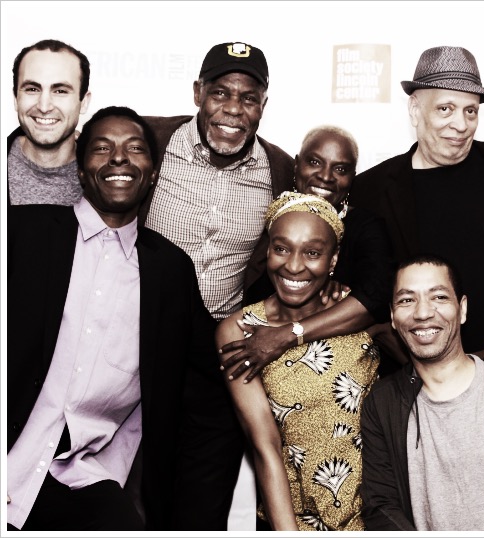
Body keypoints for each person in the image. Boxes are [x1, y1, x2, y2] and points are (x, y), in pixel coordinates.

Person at [6, 106, 243, 531]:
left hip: (79, 477)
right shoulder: (21, 234)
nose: (119, 158)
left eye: (135, 149)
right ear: (80, 170)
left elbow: (208, 390)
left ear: (152, 173)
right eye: (102, 148)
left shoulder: (170, 272)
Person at [349, 45, 484, 416]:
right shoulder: (372, 190)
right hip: (426, 397)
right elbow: (369, 299)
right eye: (445, 109)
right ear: (414, 109)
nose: (460, 124)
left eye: (470, 110)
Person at [360, 254, 484, 531]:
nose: (422, 313)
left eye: (439, 297)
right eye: (407, 300)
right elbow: (380, 506)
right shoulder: (382, 403)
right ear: (393, 317)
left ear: (462, 308)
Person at [216, 192, 381, 531]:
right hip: (296, 520)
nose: (293, 265)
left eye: (312, 253)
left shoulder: (355, 311)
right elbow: (265, 446)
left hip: (380, 517)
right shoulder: (239, 330)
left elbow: (429, 364)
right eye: (281, 248)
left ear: (332, 260)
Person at [222, 125, 397, 382]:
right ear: (296, 165)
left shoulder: (365, 227)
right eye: (315, 162)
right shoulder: (273, 218)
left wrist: (289, 334)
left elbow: (377, 297)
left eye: (340, 169)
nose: (326, 176)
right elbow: (256, 298)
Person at [141, 41, 294, 321]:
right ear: (198, 93)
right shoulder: (148, 139)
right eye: (220, 93)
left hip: (219, 338)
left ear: (264, 105)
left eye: (249, 99)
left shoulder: (281, 171)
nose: (234, 109)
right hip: (139, 322)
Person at [8, 39, 91, 205]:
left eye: (60, 91)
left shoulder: (106, 174)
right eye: (32, 89)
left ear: (84, 102)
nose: (44, 106)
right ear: (16, 98)